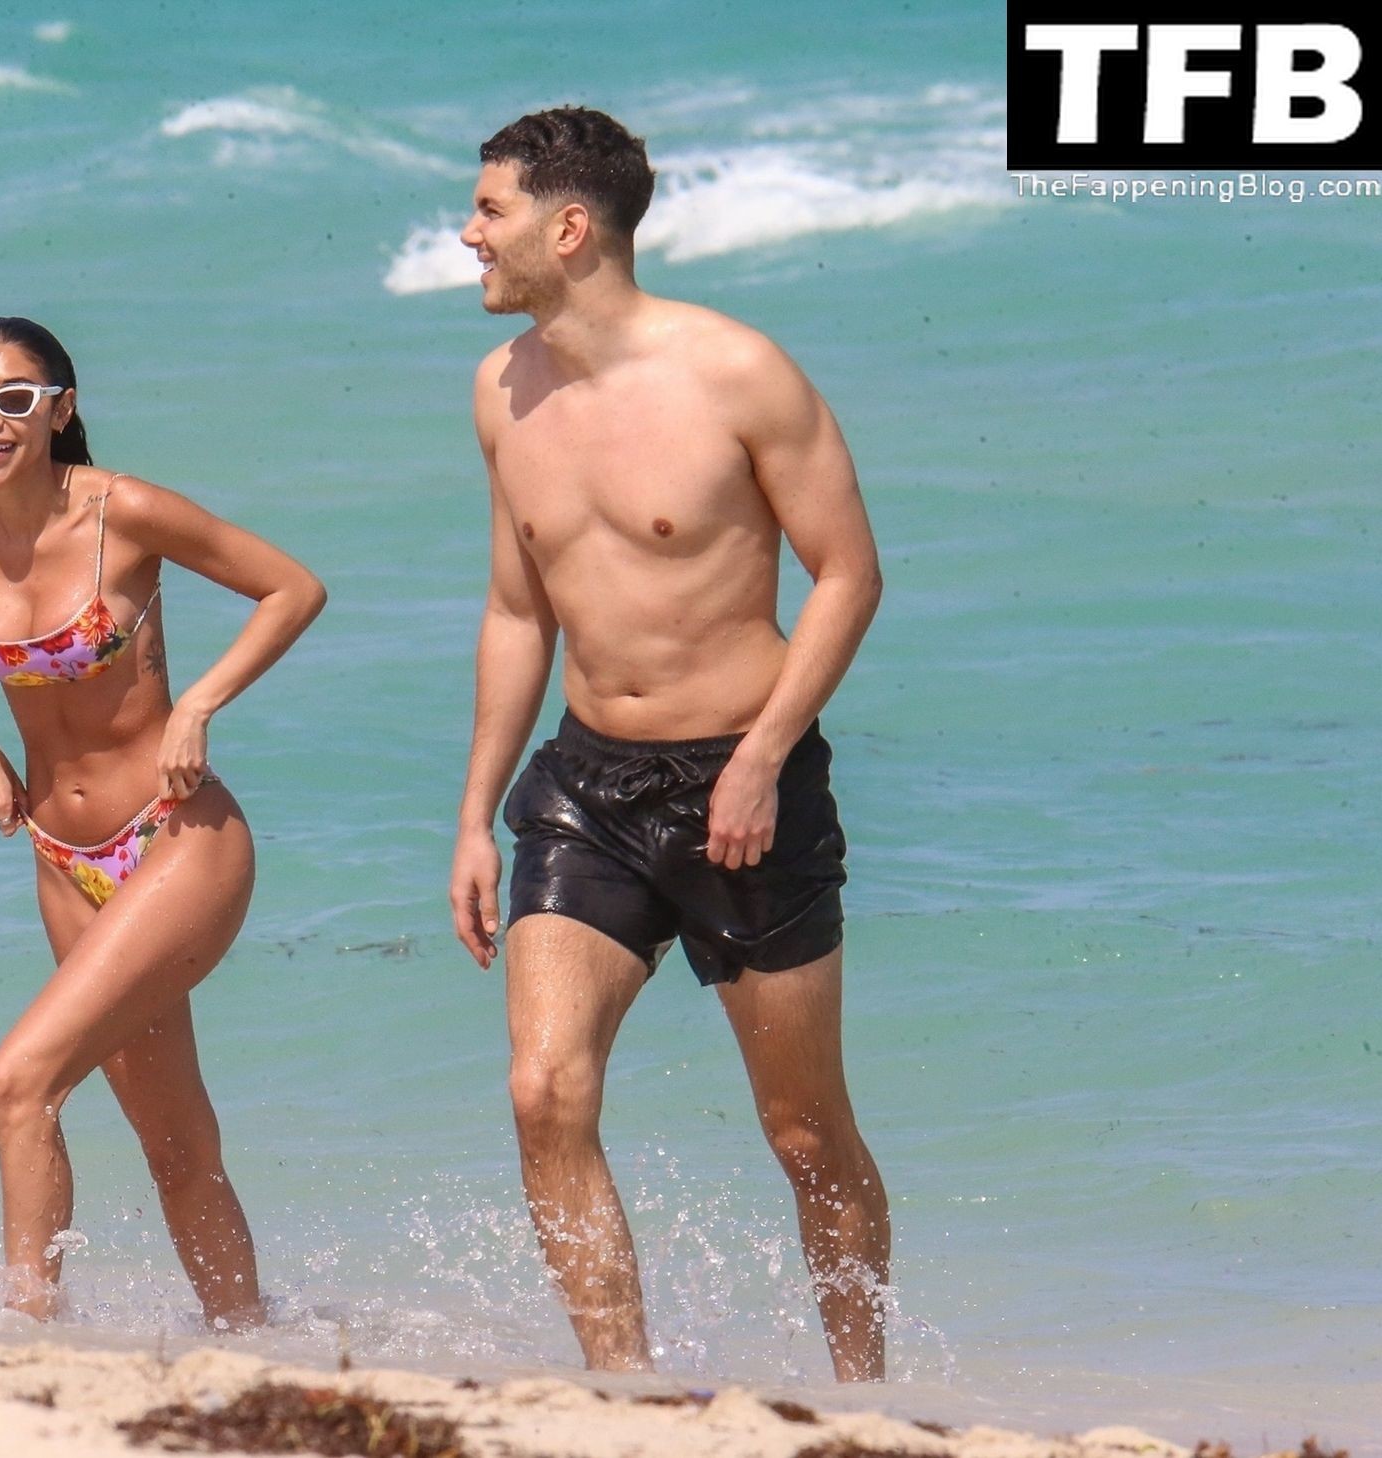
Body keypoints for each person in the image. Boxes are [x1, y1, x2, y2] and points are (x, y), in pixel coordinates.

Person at [446, 109, 891, 1380]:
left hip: (743, 787)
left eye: (489, 210)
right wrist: (475, 815)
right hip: (585, 785)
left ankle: (866, 1398)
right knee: (544, 1089)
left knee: (803, 1133)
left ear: (568, 228)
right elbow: (517, 609)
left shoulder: (739, 374)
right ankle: (623, 1393)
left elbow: (848, 574)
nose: (468, 234)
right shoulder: (501, 387)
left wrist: (762, 757)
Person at [0, 316, 326, 1323]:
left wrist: (199, 705)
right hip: (62, 858)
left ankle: (26, 1336)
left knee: (18, 1081)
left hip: (178, 838)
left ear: (61, 409)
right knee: (175, 1144)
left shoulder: (123, 511)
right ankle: (248, 1335)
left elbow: (291, 589)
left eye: (15, 399)